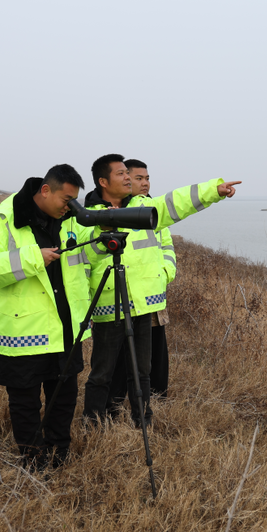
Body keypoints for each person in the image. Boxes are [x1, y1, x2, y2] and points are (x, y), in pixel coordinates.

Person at [81, 154, 239, 428]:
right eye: (121, 174)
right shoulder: (86, 217)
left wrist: (213, 190)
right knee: (102, 373)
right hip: (109, 305)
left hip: (144, 305)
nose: (128, 178)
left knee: (142, 371)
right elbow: (82, 259)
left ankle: (143, 422)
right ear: (103, 181)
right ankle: (93, 426)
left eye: (128, 173)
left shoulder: (144, 207)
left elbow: (176, 202)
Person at [0, 164, 95, 471]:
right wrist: (33, 258)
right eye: (66, 199)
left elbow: (91, 253)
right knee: (25, 403)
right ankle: (34, 464)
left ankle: (59, 456)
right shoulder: (3, 219)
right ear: (45, 190)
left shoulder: (70, 220)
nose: (69, 207)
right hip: (22, 332)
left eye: (74, 201)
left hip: (65, 331)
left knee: (64, 398)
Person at [106, 159, 174, 413]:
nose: (145, 183)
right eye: (138, 178)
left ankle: (155, 401)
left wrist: (165, 273)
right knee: (121, 355)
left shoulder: (152, 209)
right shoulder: (112, 211)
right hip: (124, 295)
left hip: (152, 294)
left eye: (147, 179)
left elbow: (166, 246)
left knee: (155, 352)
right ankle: (114, 406)